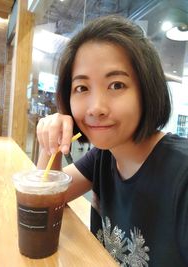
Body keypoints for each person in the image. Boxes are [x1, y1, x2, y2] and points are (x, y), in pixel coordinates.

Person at [36, 15, 188, 267]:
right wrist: (51, 142)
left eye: (116, 85)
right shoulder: (104, 155)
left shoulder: (182, 174)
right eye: (82, 88)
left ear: (147, 90)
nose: (96, 108)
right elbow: (47, 201)